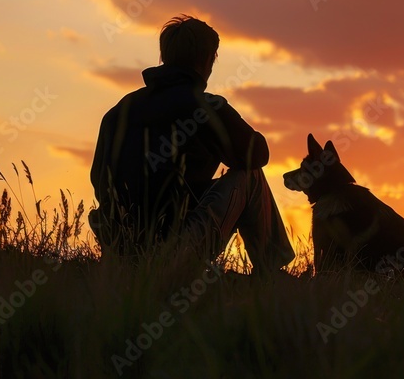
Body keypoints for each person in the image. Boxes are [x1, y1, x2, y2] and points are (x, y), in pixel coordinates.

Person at [87, 15, 295, 270]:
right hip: (173, 250)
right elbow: (257, 154)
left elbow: (99, 178)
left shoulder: (120, 110)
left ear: (164, 57)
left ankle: (131, 265)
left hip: (119, 247)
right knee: (250, 177)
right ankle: (272, 270)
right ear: (207, 60)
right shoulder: (204, 107)